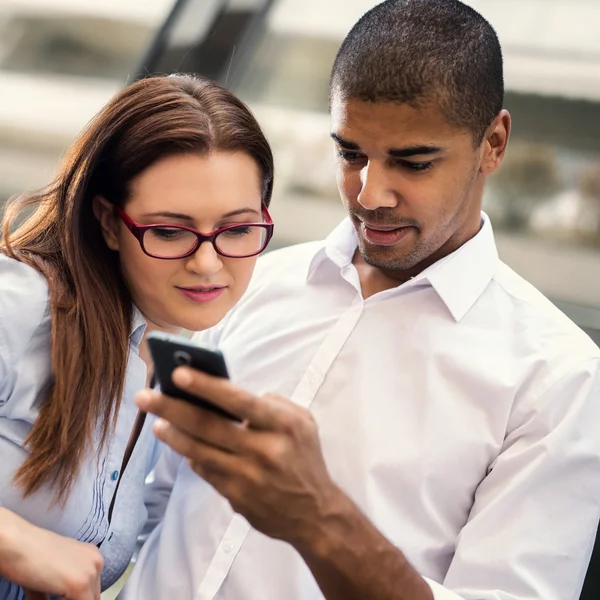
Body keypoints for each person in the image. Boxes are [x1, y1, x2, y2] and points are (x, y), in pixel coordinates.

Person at [122, 1, 600, 599]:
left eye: (414, 161)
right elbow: (156, 499)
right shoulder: (259, 283)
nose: (371, 193)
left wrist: (320, 519)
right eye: (351, 153)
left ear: (493, 144)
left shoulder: (557, 378)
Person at [0, 74, 274, 600]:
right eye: (170, 232)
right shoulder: (23, 305)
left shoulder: (176, 361)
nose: (208, 263)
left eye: (237, 230)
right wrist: (12, 542)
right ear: (107, 221)